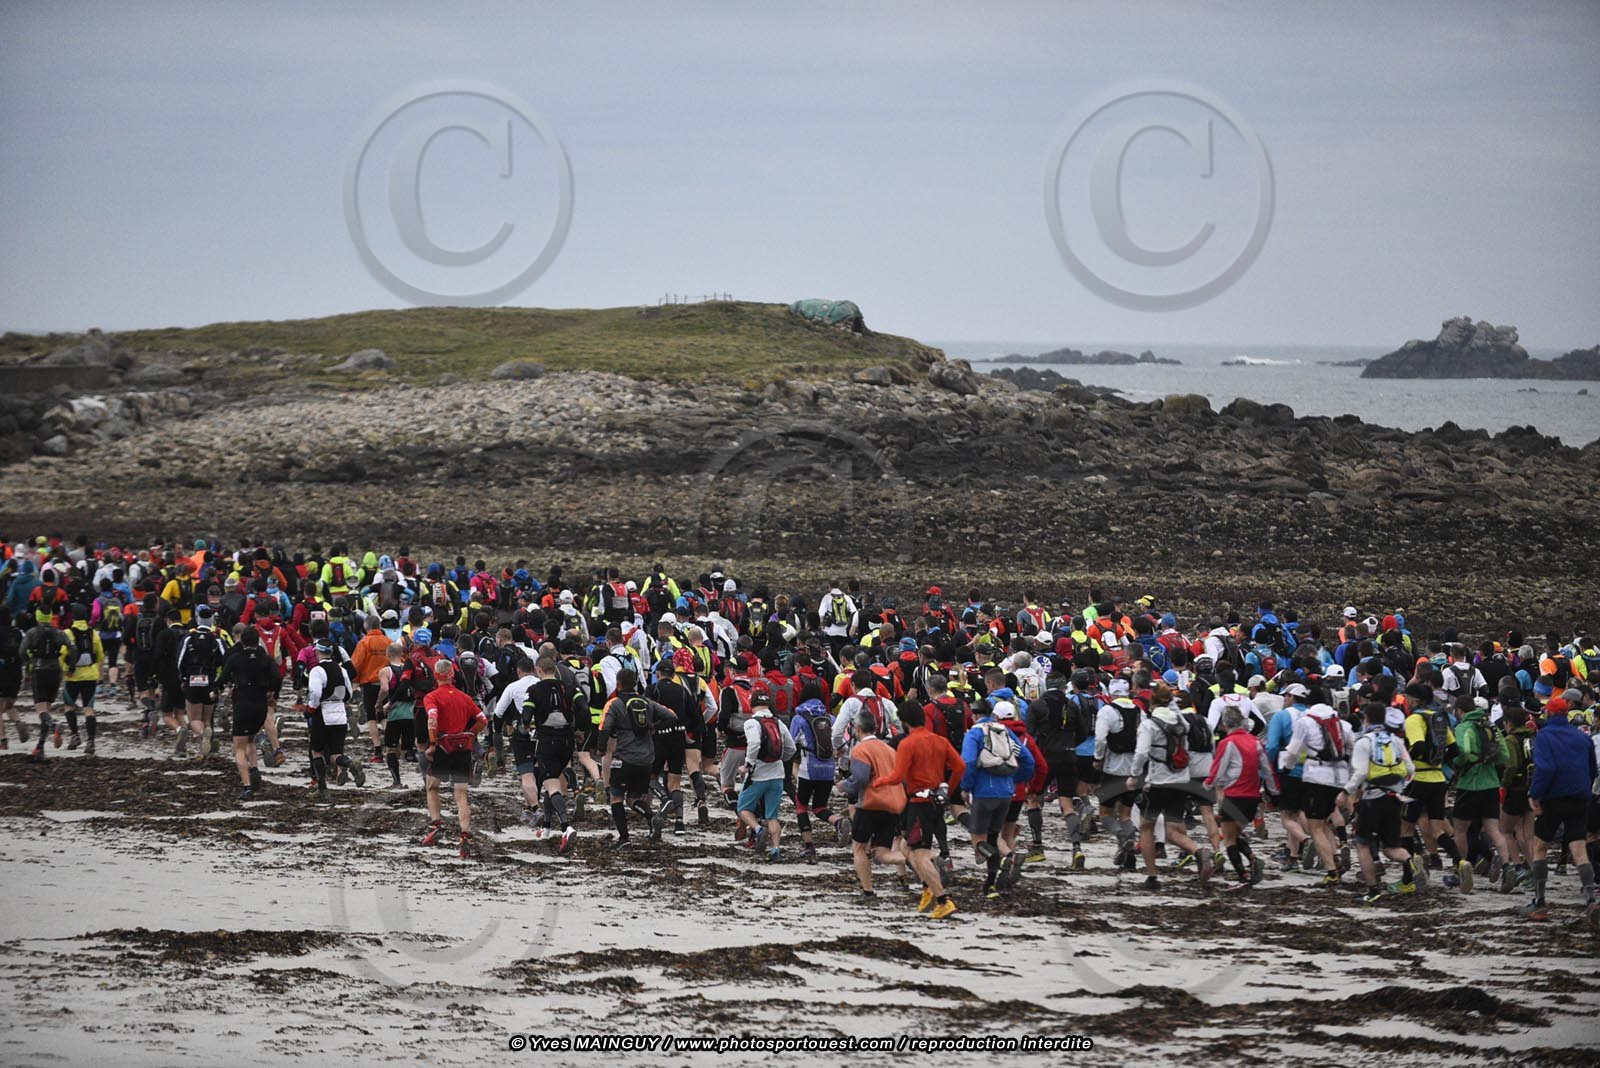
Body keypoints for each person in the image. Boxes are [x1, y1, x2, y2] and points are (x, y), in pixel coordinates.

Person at [877, 701, 965, 918]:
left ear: (904, 722)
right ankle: (927, 886)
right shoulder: (940, 740)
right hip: (936, 803)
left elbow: (897, 776)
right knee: (906, 847)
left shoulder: (908, 743)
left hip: (919, 803)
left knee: (920, 853)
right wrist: (947, 788)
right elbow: (960, 766)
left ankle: (943, 900)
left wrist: (879, 782)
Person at [1522, 696, 1599, 922]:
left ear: (1548, 714)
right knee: (1579, 849)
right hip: (1580, 798)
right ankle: (1591, 900)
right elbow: (1592, 770)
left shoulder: (1544, 736)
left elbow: (1545, 768)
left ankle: (1539, 902)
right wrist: (1585, 790)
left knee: (1540, 848)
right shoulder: (1582, 737)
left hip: (1553, 798)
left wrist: (1534, 794)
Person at [1128, 687, 1214, 890]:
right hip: (1181, 781)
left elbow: (1141, 753)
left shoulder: (1149, 725)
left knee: (1147, 828)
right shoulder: (1182, 723)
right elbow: (1176, 711)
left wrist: (1134, 775)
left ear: (1152, 704)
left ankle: (1152, 876)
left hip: (1158, 782)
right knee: (1173, 829)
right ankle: (1198, 850)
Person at [1344, 702, 1420, 904]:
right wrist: (1400, 787)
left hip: (1372, 799)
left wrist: (1346, 791)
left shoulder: (1364, 742)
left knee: (1362, 843)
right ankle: (1411, 862)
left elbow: (1360, 773)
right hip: (1394, 798)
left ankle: (1372, 890)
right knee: (1391, 846)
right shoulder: (1396, 740)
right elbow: (1410, 769)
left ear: (1366, 719)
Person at [961, 699, 1037, 899]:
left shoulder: (974, 733)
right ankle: (990, 885)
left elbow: (968, 762)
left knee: (978, 840)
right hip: (1006, 792)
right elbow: (1028, 760)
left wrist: (965, 787)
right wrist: (1015, 780)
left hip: (984, 792)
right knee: (994, 837)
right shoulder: (1005, 731)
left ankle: (1004, 860)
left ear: (974, 715)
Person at [1282, 696, 1357, 885]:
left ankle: (1331, 871)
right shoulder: (1343, 725)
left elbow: (1293, 751)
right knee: (1325, 823)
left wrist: (1287, 768)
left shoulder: (1306, 722)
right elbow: (1351, 751)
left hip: (1317, 777)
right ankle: (1335, 857)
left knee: (1315, 826)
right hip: (1339, 778)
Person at [599, 668, 676, 845]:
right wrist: (653, 726)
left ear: (618, 684)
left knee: (616, 797)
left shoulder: (614, 704)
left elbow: (605, 728)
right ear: (635, 684)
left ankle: (624, 838)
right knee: (633, 798)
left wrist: (601, 749)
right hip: (646, 759)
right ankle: (651, 818)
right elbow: (672, 716)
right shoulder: (647, 702)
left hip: (624, 758)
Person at [420, 658, 488, 857]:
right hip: (463, 747)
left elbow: (432, 719)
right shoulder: (464, 697)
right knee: (461, 795)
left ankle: (436, 826)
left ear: (436, 675)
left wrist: (432, 744)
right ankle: (464, 836)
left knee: (432, 786)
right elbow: (483, 719)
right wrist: (470, 734)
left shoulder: (432, 697)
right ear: (452, 675)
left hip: (443, 746)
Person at [1206, 706, 1279, 888]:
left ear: (1224, 724)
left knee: (1229, 838)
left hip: (1234, 795)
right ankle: (1252, 860)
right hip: (1252, 797)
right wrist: (1274, 791)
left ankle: (1243, 875)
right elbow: (1267, 769)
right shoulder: (1255, 741)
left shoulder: (1227, 743)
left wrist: (1206, 786)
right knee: (1235, 833)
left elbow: (1218, 770)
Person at [843, 706, 910, 901]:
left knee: (859, 848)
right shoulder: (889, 749)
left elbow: (860, 778)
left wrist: (844, 786)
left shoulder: (860, 749)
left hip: (870, 804)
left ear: (857, 729)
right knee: (882, 853)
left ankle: (868, 892)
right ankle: (922, 860)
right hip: (892, 804)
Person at [1449, 693, 1511, 894]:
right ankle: (1507, 867)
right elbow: (1504, 756)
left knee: (1460, 830)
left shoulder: (1463, 727)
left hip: (1469, 785)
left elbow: (1462, 753)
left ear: (1459, 711)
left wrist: (1457, 763)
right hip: (1491, 783)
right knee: (1494, 830)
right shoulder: (1490, 726)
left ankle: (1462, 867)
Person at [520, 652, 580, 853]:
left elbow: (526, 717)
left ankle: (566, 827)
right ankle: (546, 828)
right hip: (567, 742)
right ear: (555, 670)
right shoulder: (569, 687)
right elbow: (583, 708)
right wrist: (579, 730)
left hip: (547, 742)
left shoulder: (534, 690)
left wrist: (525, 726)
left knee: (552, 784)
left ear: (538, 671)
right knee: (550, 781)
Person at [214, 627, 279, 799]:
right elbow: (277, 677)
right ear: (258, 641)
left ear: (242, 641)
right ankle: (255, 768)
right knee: (250, 738)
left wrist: (215, 690)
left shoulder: (236, 658)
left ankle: (247, 786)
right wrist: (274, 693)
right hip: (260, 706)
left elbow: (223, 678)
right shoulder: (265, 659)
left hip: (242, 704)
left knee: (239, 747)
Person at [789, 680, 846, 861]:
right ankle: (838, 821)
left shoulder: (799, 717)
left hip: (808, 768)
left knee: (801, 806)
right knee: (820, 806)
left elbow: (790, 743)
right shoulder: (830, 717)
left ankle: (809, 847)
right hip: (828, 768)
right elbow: (841, 740)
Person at [737, 690, 796, 860]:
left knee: (743, 808)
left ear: (752, 705)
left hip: (758, 775)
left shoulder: (752, 722)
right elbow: (791, 747)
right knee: (772, 816)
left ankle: (758, 829)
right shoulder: (778, 722)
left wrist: (748, 765)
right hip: (777, 774)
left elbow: (754, 743)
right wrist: (781, 759)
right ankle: (775, 850)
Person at [305, 637, 365, 796]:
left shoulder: (317, 670)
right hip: (340, 714)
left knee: (317, 751)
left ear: (317, 652)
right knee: (335, 754)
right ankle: (349, 763)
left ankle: (322, 788)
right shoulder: (342, 670)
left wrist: (310, 708)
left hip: (323, 712)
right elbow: (348, 693)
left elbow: (315, 692)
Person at [174, 606, 229, 758]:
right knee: (207, 719)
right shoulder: (216, 639)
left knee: (194, 719)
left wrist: (183, 678)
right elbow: (226, 660)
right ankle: (206, 746)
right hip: (210, 680)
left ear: (197, 619)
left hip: (192, 680)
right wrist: (221, 682)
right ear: (211, 620)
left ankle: (203, 735)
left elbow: (179, 661)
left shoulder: (189, 638)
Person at [60, 604, 104, 754]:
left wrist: (65, 669)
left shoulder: (67, 633)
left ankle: (75, 736)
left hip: (72, 677)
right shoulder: (93, 633)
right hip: (90, 675)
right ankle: (91, 741)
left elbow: (62, 654)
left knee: (69, 706)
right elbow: (100, 654)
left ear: (73, 617)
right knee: (89, 709)